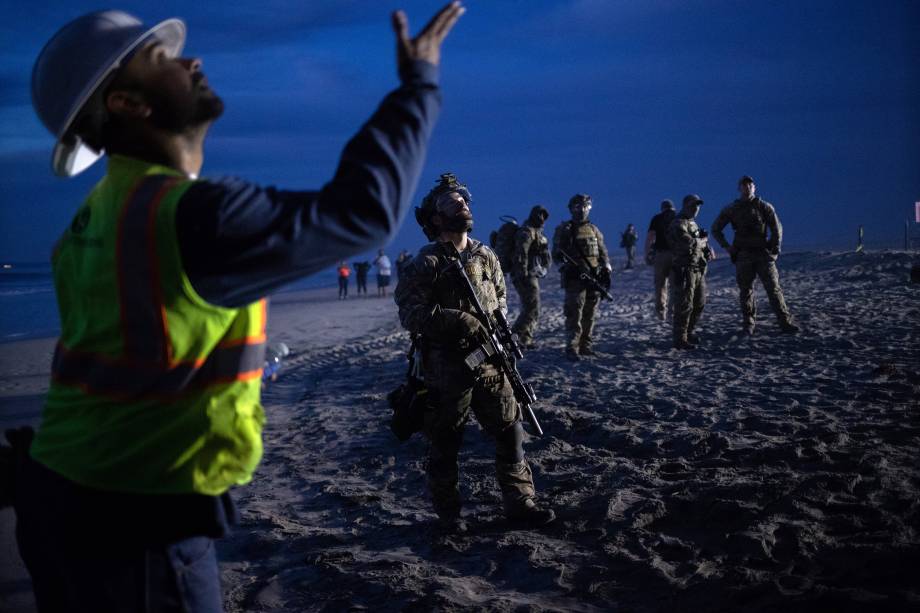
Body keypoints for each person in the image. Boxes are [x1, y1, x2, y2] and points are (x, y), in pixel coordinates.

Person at [18, 4, 464, 611]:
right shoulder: (194, 215)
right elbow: (364, 213)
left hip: (57, 501)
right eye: (161, 58)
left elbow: (140, 358)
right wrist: (418, 85)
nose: (192, 59)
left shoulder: (89, 222)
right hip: (140, 524)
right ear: (125, 103)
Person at [394, 173, 555, 532]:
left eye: (464, 200)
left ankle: (520, 501)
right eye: (453, 202)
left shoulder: (486, 255)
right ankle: (449, 515)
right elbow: (411, 315)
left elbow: (499, 300)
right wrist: (459, 321)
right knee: (446, 440)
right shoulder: (427, 263)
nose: (463, 205)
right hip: (447, 367)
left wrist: (498, 336)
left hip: (491, 361)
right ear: (436, 218)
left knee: (510, 430)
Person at [711, 176, 799, 336]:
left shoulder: (764, 206)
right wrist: (727, 247)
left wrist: (775, 249)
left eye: (750, 185)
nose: (747, 188)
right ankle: (749, 323)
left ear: (754, 187)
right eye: (744, 185)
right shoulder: (732, 209)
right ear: (739, 188)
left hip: (762, 254)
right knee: (746, 291)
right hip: (743, 255)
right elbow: (716, 229)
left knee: (773, 289)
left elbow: (776, 227)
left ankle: (784, 321)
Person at [552, 194, 611, 361]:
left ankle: (586, 345)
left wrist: (606, 268)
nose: (582, 210)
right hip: (574, 279)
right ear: (571, 209)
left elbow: (602, 250)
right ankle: (572, 346)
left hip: (593, 278)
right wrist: (565, 268)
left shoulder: (594, 229)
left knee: (590, 313)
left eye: (586, 206)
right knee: (574, 313)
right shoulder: (565, 229)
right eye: (578, 207)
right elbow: (556, 253)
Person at [668, 195, 715, 349]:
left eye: (698, 206)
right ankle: (679, 338)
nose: (696, 208)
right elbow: (687, 243)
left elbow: (698, 243)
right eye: (692, 205)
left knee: (699, 303)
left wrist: (706, 249)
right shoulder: (678, 223)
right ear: (685, 205)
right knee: (684, 305)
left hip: (697, 269)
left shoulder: (692, 223)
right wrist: (702, 242)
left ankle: (688, 332)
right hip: (684, 269)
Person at [510, 205, 550, 348]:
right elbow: (521, 253)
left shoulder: (537, 232)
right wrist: (522, 273)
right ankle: (514, 337)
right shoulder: (527, 232)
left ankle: (525, 339)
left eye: (544, 216)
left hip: (531, 274)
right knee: (532, 308)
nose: (542, 218)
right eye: (539, 215)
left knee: (531, 307)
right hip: (525, 276)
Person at [645, 200, 677, 321]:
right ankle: (672, 312)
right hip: (676, 255)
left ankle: (661, 312)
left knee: (660, 285)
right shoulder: (678, 217)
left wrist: (647, 253)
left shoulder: (657, 218)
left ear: (662, 208)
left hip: (661, 255)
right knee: (675, 285)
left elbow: (650, 237)